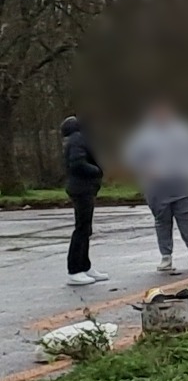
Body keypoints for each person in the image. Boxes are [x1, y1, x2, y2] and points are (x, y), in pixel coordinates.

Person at [122, 101, 188, 274]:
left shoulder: (183, 132)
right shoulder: (144, 135)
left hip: (181, 183)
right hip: (157, 188)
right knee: (162, 221)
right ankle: (166, 257)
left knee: (186, 220)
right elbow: (133, 157)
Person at [60, 116, 107, 286]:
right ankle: (74, 270)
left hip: (81, 188)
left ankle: (84, 266)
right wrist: (98, 170)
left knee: (85, 228)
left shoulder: (73, 140)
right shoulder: (78, 139)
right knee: (81, 229)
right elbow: (78, 163)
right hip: (82, 189)